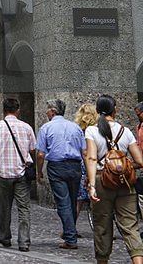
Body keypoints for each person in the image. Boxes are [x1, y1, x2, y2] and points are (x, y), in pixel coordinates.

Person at [85, 94, 143, 263]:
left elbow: (92, 158)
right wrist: (122, 166)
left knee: (102, 225)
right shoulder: (126, 131)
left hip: (102, 180)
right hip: (125, 183)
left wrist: (92, 186)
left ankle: (103, 260)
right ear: (115, 110)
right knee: (131, 226)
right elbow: (140, 161)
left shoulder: (92, 131)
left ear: (97, 111)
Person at [36, 98, 86, 250]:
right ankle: (69, 231)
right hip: (75, 166)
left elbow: (40, 154)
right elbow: (84, 151)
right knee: (71, 200)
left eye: (47, 110)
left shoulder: (46, 128)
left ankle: (70, 238)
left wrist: (39, 172)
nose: (46, 113)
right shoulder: (75, 127)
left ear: (52, 111)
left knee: (63, 203)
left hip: (57, 167)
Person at [0, 97, 36, 252]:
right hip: (21, 172)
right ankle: (24, 241)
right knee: (24, 208)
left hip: (2, 172)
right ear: (18, 110)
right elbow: (33, 149)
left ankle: (5, 236)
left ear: (4, 110)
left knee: (4, 206)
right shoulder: (26, 127)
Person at [74, 104, 98, 229]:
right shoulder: (97, 129)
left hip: (81, 165)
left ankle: (70, 228)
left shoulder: (78, 130)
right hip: (93, 163)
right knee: (98, 197)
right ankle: (101, 227)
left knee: (79, 201)